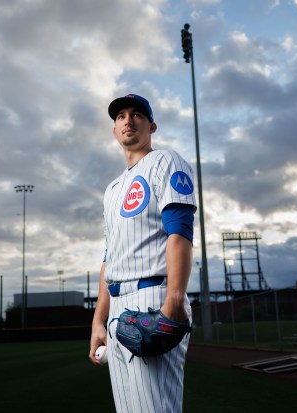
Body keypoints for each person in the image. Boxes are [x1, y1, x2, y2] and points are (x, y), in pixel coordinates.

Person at [89, 93, 197, 412]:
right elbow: (110, 259)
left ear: (151, 125)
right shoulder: (112, 190)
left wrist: (174, 301)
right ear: (114, 130)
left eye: (137, 114)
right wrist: (98, 321)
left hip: (153, 300)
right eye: (120, 115)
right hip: (117, 309)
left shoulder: (165, 161)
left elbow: (180, 232)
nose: (128, 119)